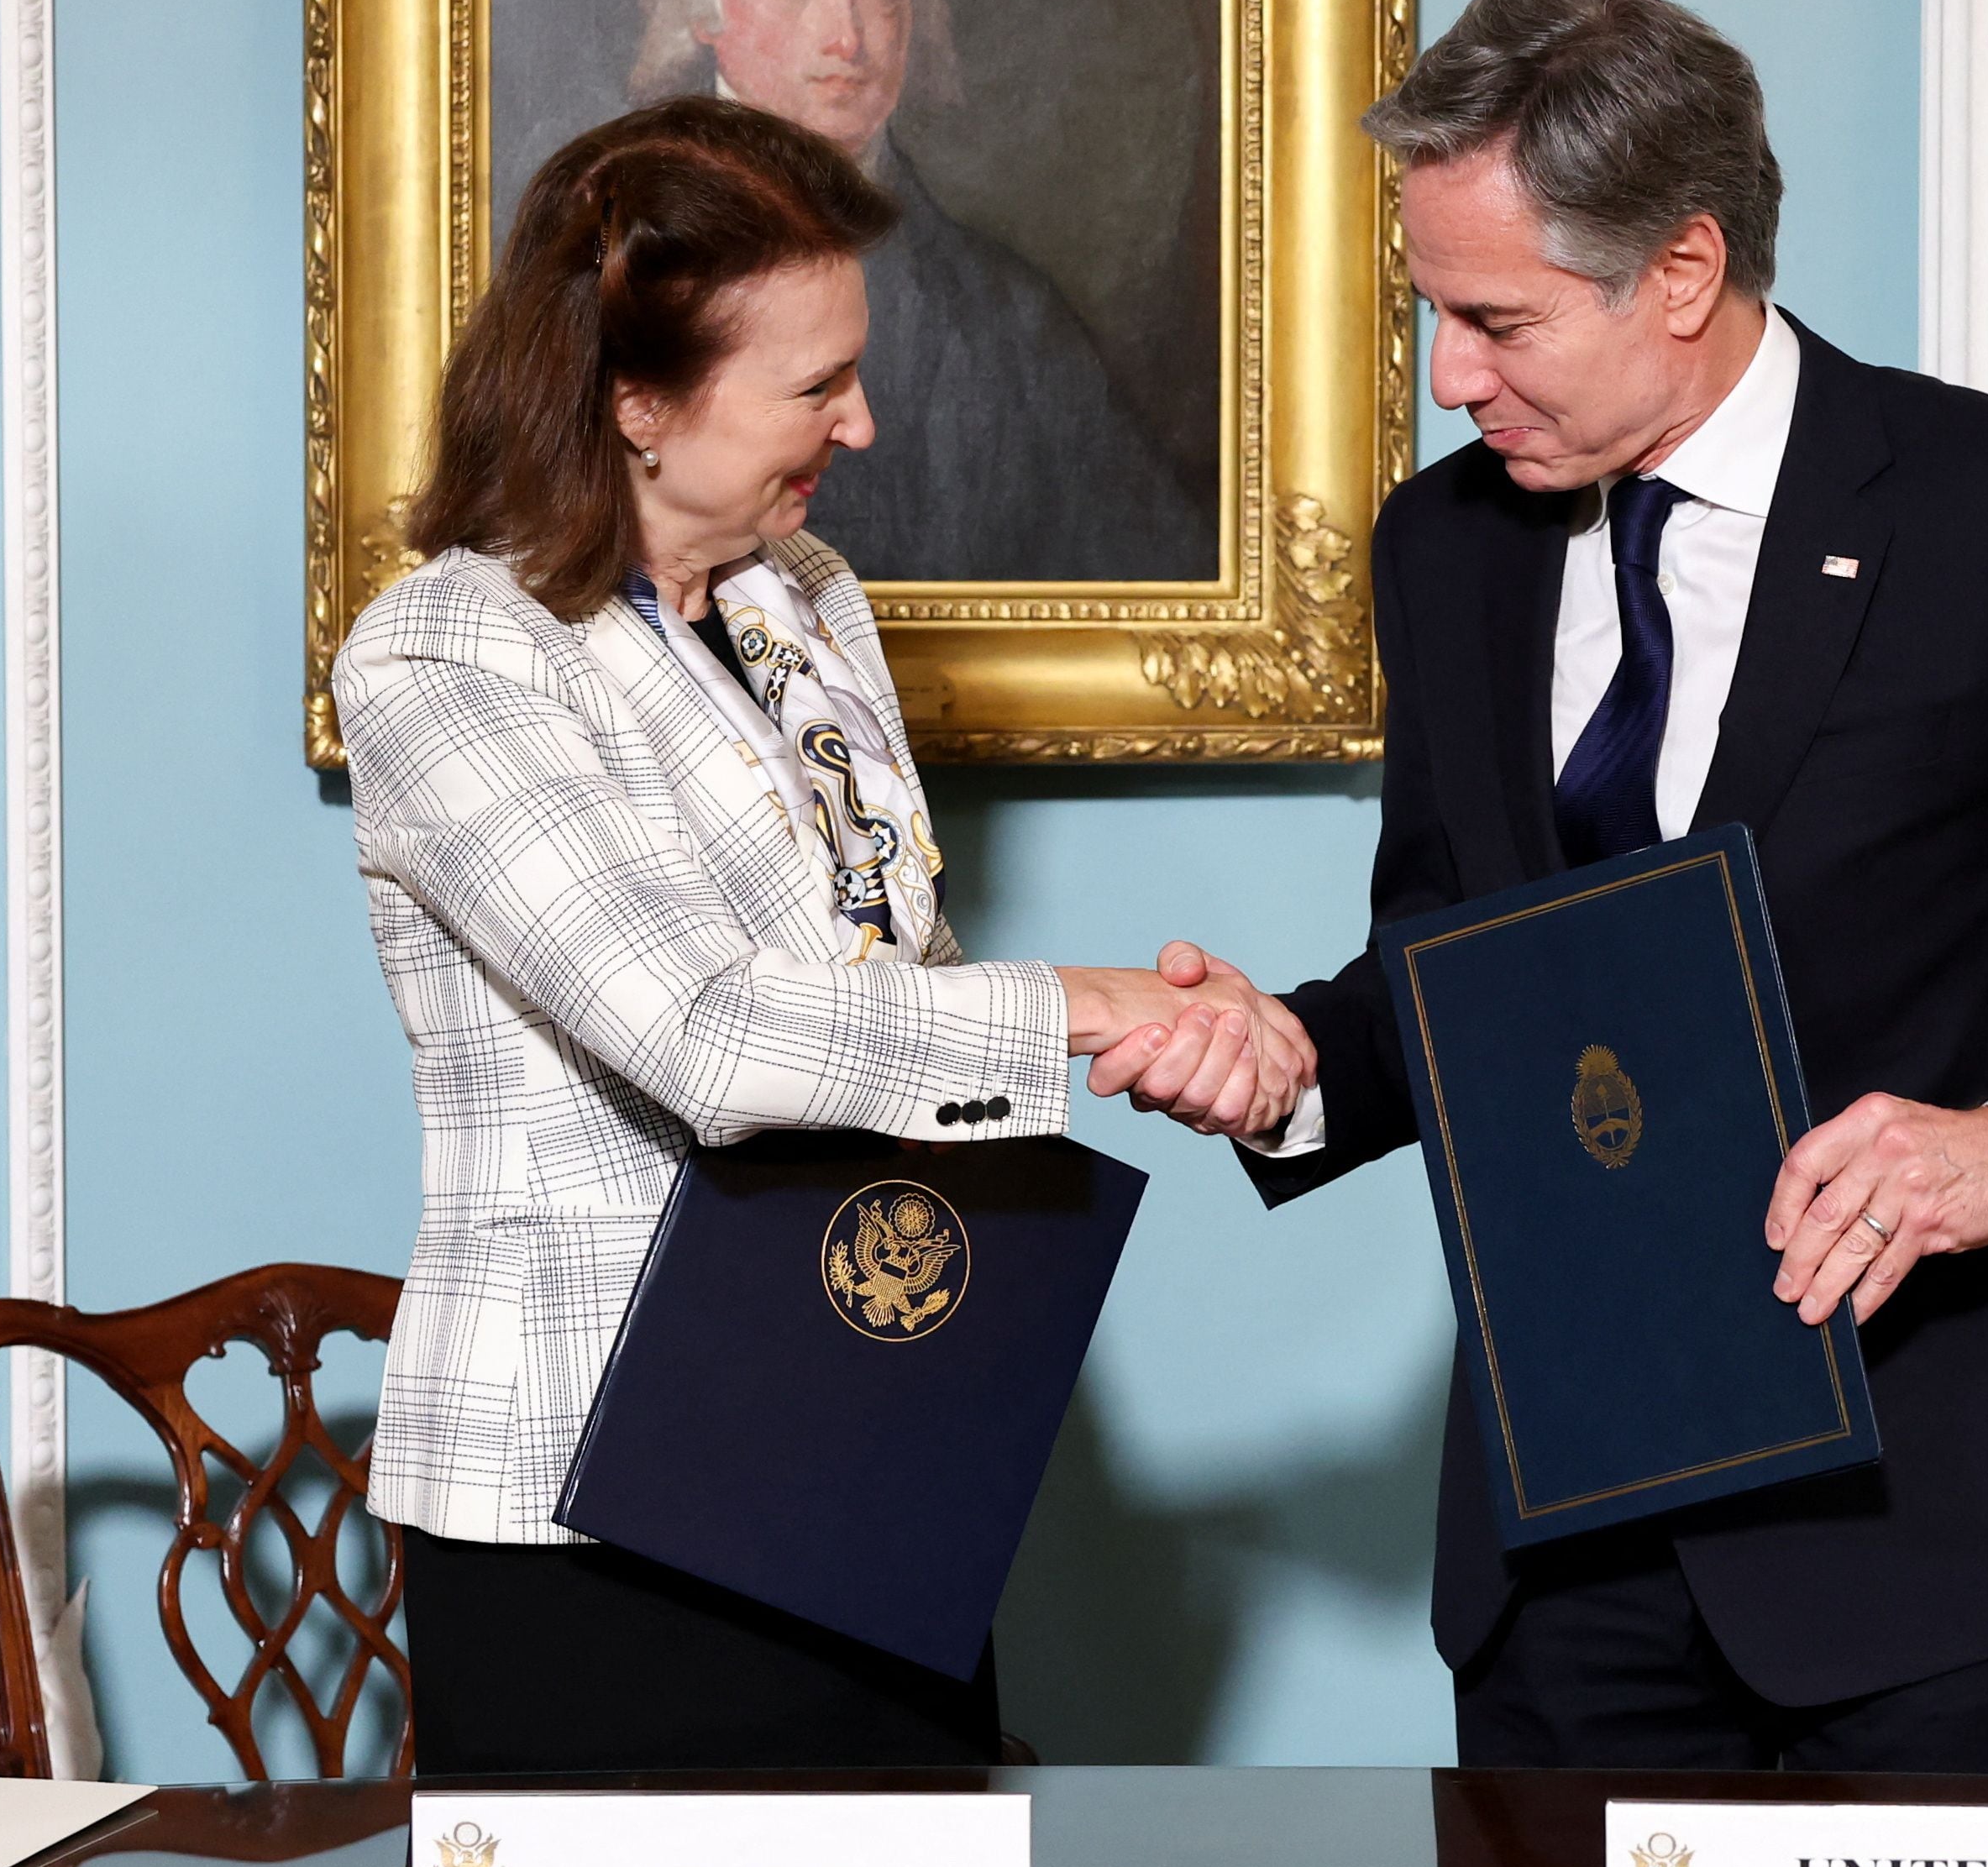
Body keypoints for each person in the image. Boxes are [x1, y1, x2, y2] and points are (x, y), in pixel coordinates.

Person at [1120, 0, 1988, 1774]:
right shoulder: (1444, 544)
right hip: (1557, 1564)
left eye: (1493, 318)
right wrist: (1294, 1062)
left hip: (1927, 1560)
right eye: (1429, 311)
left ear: (1684, 274)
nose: (1443, 374)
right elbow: (1463, 966)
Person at [336, 95, 1304, 1774]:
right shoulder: (446, 655)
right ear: (636, 397)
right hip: (586, 1509)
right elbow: (706, 1039)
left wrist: (1164, 1035)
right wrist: (1077, 1003)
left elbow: (889, 989)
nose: (859, 422)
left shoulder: (808, 599)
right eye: (812, 384)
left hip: (872, 1442)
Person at [630, 0, 1207, 583]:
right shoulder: (608, 260)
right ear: (705, 10)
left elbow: (1154, 570)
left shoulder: (1008, 321)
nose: (847, 38)